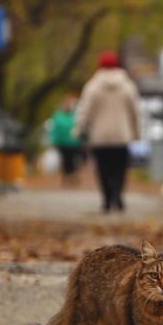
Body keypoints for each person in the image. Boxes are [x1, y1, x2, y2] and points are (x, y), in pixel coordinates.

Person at [74, 51, 141, 212]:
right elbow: (135, 111)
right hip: (121, 135)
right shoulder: (128, 86)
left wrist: (78, 130)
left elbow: (85, 111)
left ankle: (106, 199)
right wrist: (136, 133)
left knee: (103, 168)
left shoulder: (92, 87)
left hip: (100, 136)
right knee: (120, 168)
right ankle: (118, 195)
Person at [49, 92, 83, 186]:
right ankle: (67, 178)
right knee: (65, 161)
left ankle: (72, 176)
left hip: (73, 143)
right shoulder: (58, 116)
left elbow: (78, 128)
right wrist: (54, 141)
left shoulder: (74, 116)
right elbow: (55, 130)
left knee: (73, 161)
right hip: (62, 143)